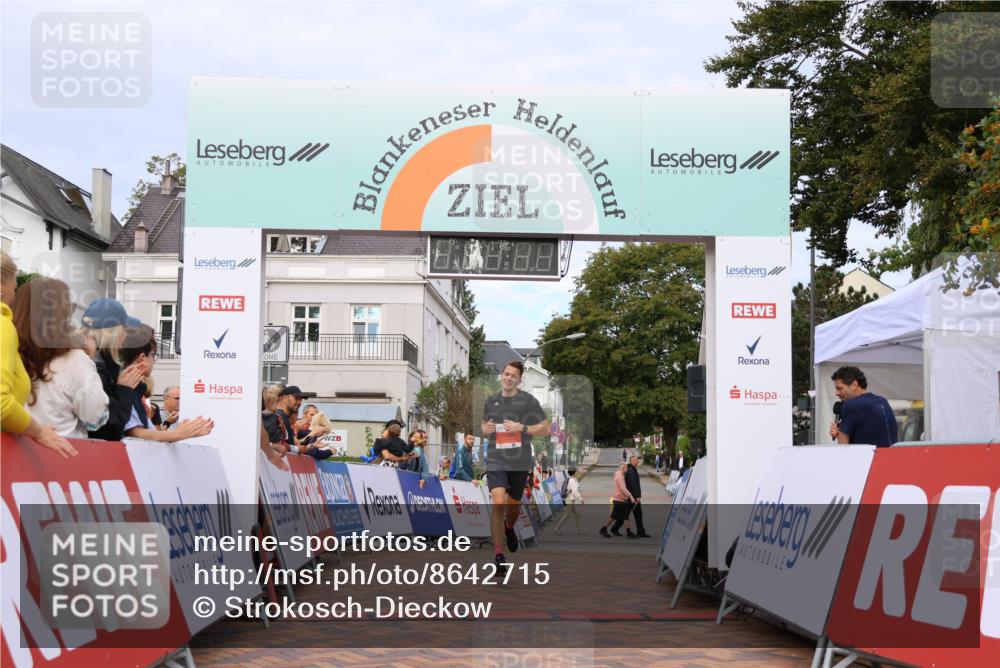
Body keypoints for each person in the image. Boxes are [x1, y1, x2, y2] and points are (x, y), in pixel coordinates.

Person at [12, 277, 109, 439]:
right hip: (61, 453)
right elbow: (95, 418)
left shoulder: (8, 352)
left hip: (10, 455)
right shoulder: (75, 360)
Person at [0, 254, 77, 457]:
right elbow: (1, 402)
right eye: (14, 287)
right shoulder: (2, 326)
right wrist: (38, 432)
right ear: (1, 288)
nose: (14, 295)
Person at [481, 360, 549, 572]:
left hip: (519, 462)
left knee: (512, 508)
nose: (509, 378)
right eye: (506, 374)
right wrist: (487, 428)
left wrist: (523, 427)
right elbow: (483, 427)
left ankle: (510, 527)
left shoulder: (528, 401)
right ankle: (499, 554)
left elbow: (546, 429)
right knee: (498, 502)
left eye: (514, 376)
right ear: (502, 375)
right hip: (495, 459)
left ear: (520, 380)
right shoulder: (491, 401)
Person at [119, 326, 214, 442]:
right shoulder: (125, 389)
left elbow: (148, 434)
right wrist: (177, 434)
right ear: (142, 358)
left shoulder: (134, 391)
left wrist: (183, 432)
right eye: (153, 355)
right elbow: (135, 433)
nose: (154, 361)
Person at [83, 298, 146, 441]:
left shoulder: (96, 362)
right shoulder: (96, 367)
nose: (125, 336)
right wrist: (124, 390)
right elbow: (108, 428)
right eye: (125, 329)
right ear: (113, 332)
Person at [829, 366, 898, 447]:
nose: (836, 393)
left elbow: (843, 447)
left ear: (854, 385)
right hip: (891, 456)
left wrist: (841, 434)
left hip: (868, 458)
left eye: (839, 388)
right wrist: (840, 432)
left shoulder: (851, 405)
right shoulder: (882, 401)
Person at [275, 386, 332, 459]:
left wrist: (312, 445)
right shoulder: (279, 416)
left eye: (300, 399)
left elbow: (297, 444)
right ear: (284, 398)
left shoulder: (285, 418)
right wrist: (313, 432)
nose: (299, 402)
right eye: (296, 398)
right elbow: (275, 444)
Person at [600, 463, 635, 537]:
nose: (627, 469)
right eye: (626, 468)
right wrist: (630, 496)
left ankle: (628, 533)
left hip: (620, 499)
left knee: (624, 516)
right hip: (619, 500)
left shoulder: (619, 474)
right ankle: (603, 529)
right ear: (623, 468)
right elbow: (623, 488)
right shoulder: (620, 476)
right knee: (614, 517)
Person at [552, 469, 585, 535]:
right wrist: (580, 498)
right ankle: (557, 528)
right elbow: (574, 491)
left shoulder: (573, 479)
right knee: (566, 515)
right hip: (569, 500)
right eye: (576, 472)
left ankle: (579, 530)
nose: (577, 472)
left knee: (577, 515)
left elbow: (581, 475)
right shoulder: (572, 481)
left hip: (571, 500)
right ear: (574, 473)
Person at [625, 455, 650, 538]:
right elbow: (633, 484)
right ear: (631, 462)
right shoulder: (631, 470)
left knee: (637, 515)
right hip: (632, 498)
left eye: (637, 461)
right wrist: (637, 496)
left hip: (633, 497)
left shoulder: (632, 469)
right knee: (625, 515)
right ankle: (613, 528)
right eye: (635, 461)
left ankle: (641, 531)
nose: (637, 462)